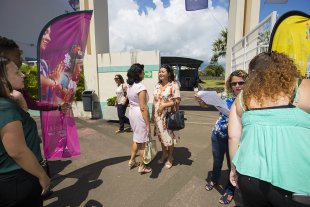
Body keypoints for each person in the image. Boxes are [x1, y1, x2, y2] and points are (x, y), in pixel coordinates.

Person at [229, 52, 310, 207]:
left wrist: (234, 169)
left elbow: (233, 137)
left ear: (252, 74)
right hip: (297, 183)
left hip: (249, 177)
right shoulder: (303, 87)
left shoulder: (243, 98)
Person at [0, 56, 50, 207]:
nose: (23, 75)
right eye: (17, 72)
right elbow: (17, 151)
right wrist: (42, 175)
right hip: (19, 178)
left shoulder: (7, 103)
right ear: (2, 79)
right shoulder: (5, 107)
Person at [195, 69, 248, 205]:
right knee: (217, 161)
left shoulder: (250, 100)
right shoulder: (225, 96)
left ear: (247, 83)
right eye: (233, 83)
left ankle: (230, 190)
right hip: (218, 134)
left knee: (233, 165)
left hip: (237, 139)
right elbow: (206, 105)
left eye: (241, 83)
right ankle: (214, 178)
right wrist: (201, 100)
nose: (237, 86)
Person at [0, 36, 69, 112]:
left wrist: (58, 106)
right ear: (3, 57)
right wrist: (53, 82)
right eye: (18, 56)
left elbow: (32, 104)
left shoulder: (19, 89)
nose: (21, 60)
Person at [152, 64, 181, 169]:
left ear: (168, 73)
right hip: (158, 116)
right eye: (160, 71)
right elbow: (154, 100)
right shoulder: (157, 85)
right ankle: (164, 154)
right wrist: (152, 114)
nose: (160, 73)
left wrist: (164, 105)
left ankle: (170, 157)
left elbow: (177, 100)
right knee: (161, 136)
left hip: (168, 116)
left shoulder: (173, 85)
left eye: (163, 71)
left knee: (169, 137)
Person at [127, 63, 152, 174]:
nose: (144, 73)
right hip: (139, 114)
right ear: (138, 73)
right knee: (142, 142)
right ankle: (142, 167)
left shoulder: (130, 86)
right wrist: (147, 124)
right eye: (142, 71)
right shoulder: (141, 87)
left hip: (132, 112)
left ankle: (132, 160)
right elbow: (143, 107)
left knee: (136, 138)